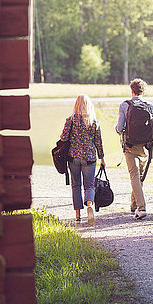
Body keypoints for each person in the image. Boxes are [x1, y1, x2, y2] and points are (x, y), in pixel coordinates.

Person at [116, 78, 153, 220]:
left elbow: (119, 128)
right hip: (146, 148)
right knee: (139, 177)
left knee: (134, 176)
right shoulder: (150, 106)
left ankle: (141, 208)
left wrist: (119, 130)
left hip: (130, 146)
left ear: (131, 91)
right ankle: (133, 205)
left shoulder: (125, 105)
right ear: (144, 91)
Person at [60, 94, 105, 225]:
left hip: (73, 157)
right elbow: (99, 142)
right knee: (89, 185)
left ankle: (78, 215)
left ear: (76, 105)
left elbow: (63, 138)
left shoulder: (71, 120)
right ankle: (89, 204)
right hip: (90, 158)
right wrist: (102, 158)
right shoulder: (94, 122)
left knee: (76, 186)